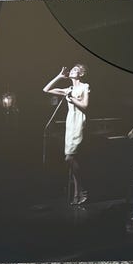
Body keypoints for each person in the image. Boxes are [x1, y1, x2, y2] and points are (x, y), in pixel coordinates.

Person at [43, 64, 90, 205]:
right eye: (72, 69)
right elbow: (46, 89)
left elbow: (85, 106)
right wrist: (59, 76)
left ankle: (82, 189)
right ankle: (78, 193)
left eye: (75, 69)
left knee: (69, 158)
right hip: (70, 124)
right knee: (71, 158)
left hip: (79, 122)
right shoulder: (68, 89)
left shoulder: (84, 86)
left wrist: (72, 98)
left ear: (81, 74)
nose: (72, 71)